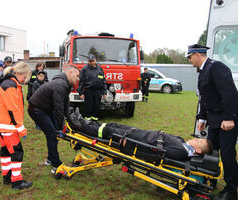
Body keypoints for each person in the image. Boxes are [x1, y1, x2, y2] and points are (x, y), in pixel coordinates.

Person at [187, 44, 238, 200]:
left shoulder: (216, 67)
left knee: (227, 154)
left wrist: (229, 118)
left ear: (197, 54)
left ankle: (231, 190)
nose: (189, 61)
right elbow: (204, 97)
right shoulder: (203, 71)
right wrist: (202, 118)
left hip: (225, 119)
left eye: (189, 57)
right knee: (211, 150)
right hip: (214, 120)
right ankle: (211, 179)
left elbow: (230, 93)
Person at [67, 108, 213, 161]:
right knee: (113, 125)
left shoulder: (181, 152)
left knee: (108, 132)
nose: (196, 138)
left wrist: (130, 145)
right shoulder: (183, 144)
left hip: (137, 141)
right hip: (140, 135)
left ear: (198, 151)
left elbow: (157, 153)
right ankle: (83, 121)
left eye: (199, 142)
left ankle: (79, 126)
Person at [28, 65, 80, 173]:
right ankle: (56, 164)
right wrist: (60, 126)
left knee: (54, 133)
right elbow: (58, 107)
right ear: (70, 73)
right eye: (77, 75)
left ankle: (51, 158)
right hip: (36, 109)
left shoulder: (65, 84)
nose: (78, 79)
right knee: (52, 134)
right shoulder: (60, 84)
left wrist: (70, 123)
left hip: (45, 109)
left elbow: (66, 105)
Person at [0, 62, 32, 190]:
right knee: (17, 152)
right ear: (21, 73)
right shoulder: (10, 85)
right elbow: (13, 110)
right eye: (26, 76)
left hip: (2, 126)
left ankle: (7, 177)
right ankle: (16, 181)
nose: (25, 80)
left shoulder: (9, 83)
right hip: (8, 126)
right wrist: (21, 128)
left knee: (5, 152)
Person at [77, 54, 107, 121]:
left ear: (95, 60)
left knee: (96, 106)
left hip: (98, 91)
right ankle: (87, 121)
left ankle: (94, 120)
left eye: (92, 60)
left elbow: (103, 81)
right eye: (90, 61)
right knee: (88, 107)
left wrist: (104, 92)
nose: (91, 62)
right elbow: (81, 82)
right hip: (88, 91)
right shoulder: (84, 69)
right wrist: (81, 93)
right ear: (88, 61)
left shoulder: (99, 69)